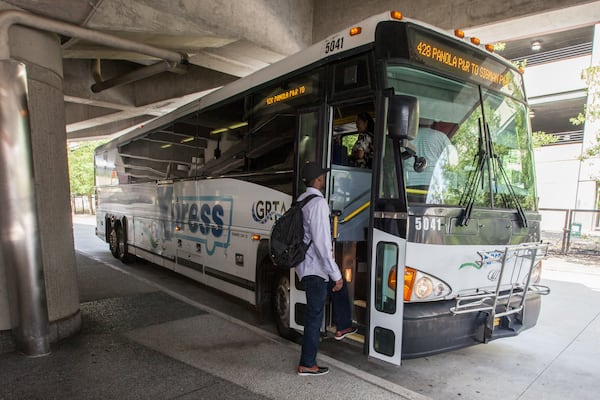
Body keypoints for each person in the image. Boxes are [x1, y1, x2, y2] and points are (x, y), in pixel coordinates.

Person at [296, 161, 357, 376]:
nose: (324, 179)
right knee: (315, 315)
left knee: (338, 288)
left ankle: (343, 325)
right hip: (315, 267)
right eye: (322, 176)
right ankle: (307, 364)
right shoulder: (318, 203)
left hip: (307, 265)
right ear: (319, 180)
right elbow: (322, 243)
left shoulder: (301, 200)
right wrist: (335, 273)